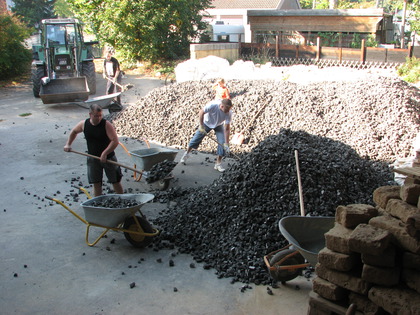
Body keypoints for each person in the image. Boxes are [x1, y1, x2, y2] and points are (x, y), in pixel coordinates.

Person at [64, 104, 123, 197]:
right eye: (96, 116)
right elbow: (74, 132)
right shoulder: (84, 124)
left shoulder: (106, 124)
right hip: (93, 158)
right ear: (90, 114)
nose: (99, 118)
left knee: (115, 181)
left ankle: (123, 199)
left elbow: (115, 141)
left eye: (100, 115)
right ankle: (97, 204)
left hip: (109, 158)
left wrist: (105, 153)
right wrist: (68, 144)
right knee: (96, 183)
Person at [180, 98, 233, 172]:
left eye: (229, 109)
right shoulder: (213, 105)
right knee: (196, 139)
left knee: (222, 143)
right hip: (207, 123)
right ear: (221, 106)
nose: (228, 111)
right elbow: (201, 112)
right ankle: (187, 153)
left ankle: (218, 164)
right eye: (227, 109)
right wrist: (201, 126)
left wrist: (227, 143)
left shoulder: (229, 113)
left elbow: (227, 129)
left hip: (218, 125)